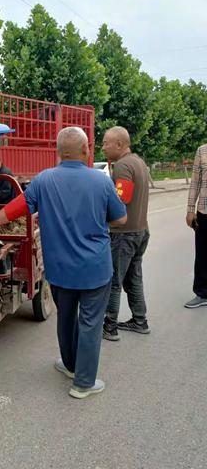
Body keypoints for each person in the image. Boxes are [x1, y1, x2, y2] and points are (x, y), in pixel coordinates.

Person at [0, 127, 127, 398]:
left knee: (65, 318)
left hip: (59, 269)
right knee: (90, 323)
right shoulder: (101, 181)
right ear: (85, 150)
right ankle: (83, 382)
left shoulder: (44, 181)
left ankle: (70, 366)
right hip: (95, 269)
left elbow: (11, 212)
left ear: (58, 153)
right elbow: (120, 219)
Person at [101, 126, 151, 341]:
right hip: (141, 231)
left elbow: (122, 201)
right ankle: (140, 320)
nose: (103, 147)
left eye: (106, 143)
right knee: (134, 277)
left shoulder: (122, 166)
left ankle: (110, 326)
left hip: (124, 234)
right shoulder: (138, 162)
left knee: (114, 280)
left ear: (119, 144)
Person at [184, 144, 207, 308]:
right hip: (204, 211)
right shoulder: (202, 150)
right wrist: (190, 210)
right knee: (203, 254)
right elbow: (195, 183)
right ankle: (202, 293)